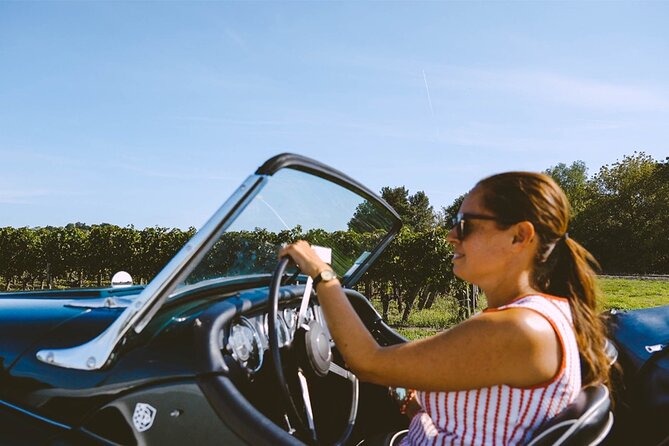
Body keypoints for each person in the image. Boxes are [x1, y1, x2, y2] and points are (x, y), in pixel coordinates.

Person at [279, 172, 611, 445]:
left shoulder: (517, 328)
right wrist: (430, 409)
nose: (451, 235)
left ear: (519, 237)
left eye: (465, 224)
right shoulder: (545, 313)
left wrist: (322, 274)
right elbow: (501, 414)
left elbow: (367, 362)